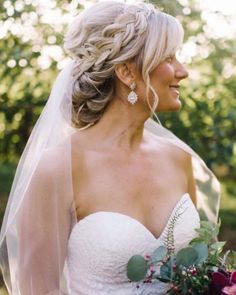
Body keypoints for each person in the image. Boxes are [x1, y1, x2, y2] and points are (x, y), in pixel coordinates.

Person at [0, 1, 220, 294]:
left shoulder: (179, 159)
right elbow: (39, 289)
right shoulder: (58, 167)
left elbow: (198, 273)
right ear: (127, 72)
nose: (183, 71)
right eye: (169, 58)